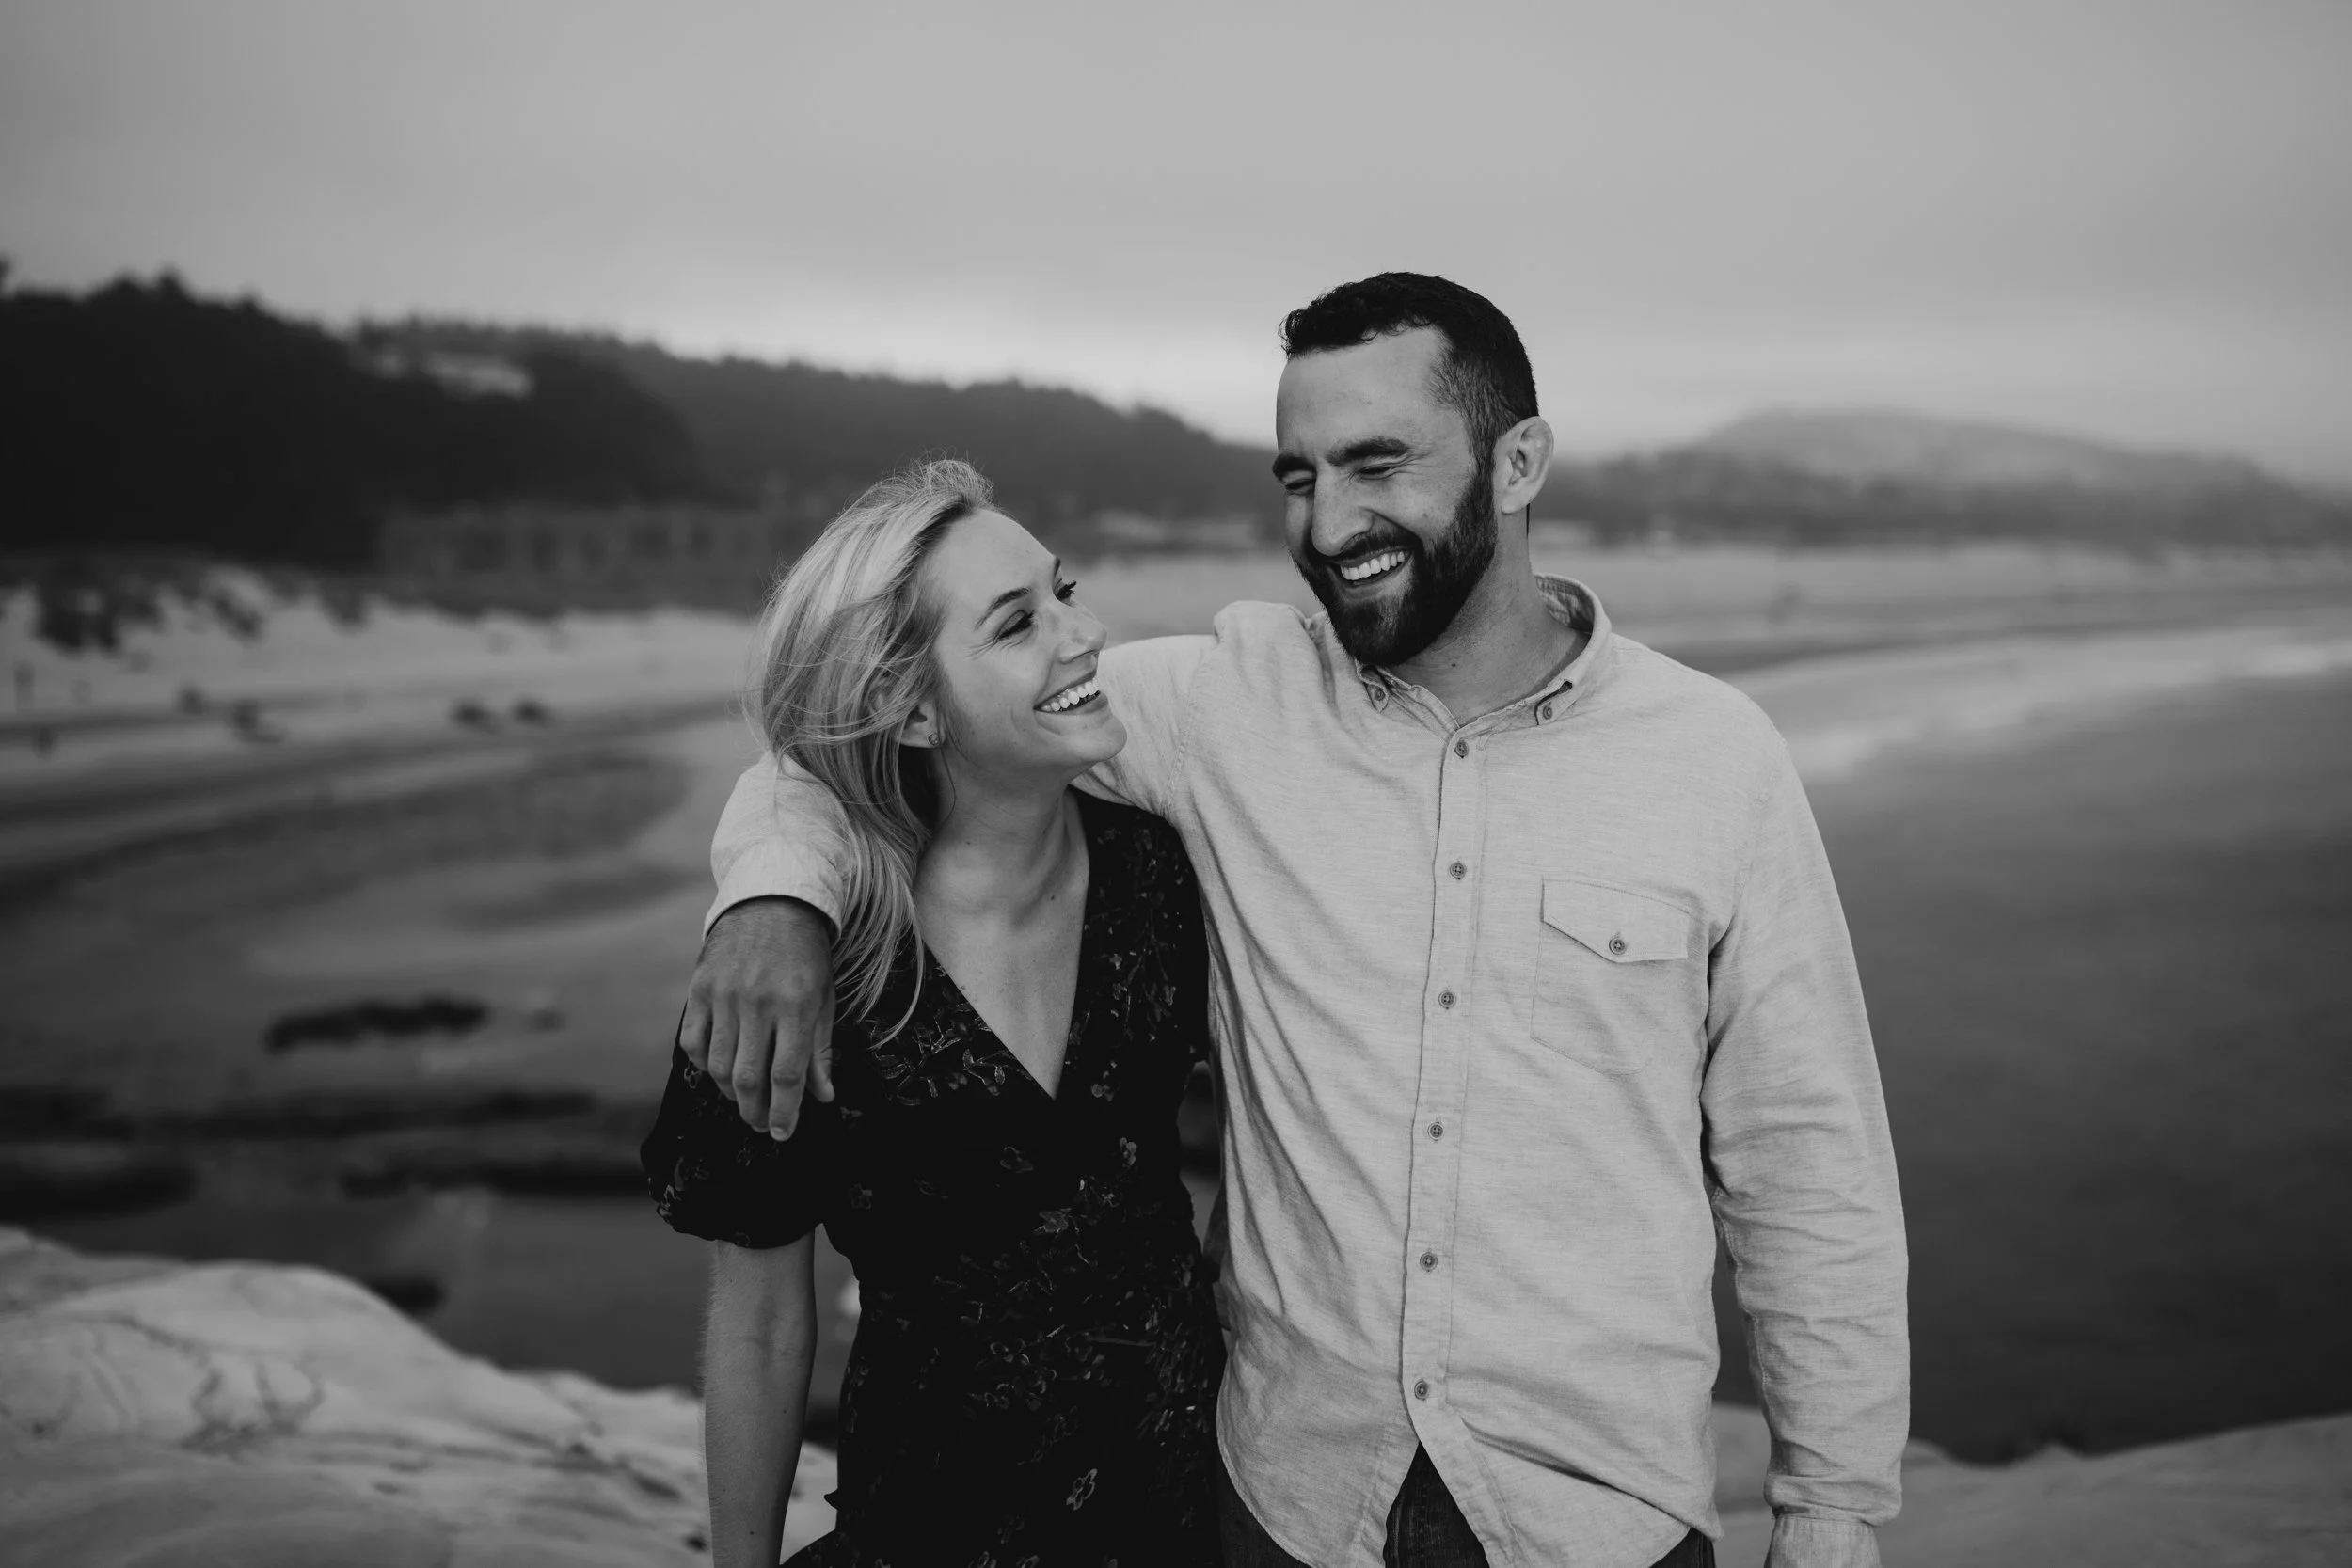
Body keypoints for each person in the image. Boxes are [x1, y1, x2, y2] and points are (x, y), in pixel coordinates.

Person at [682, 275, 1910, 1568]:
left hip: (1598, 1518)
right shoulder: (1223, 707)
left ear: (1518, 463)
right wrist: (775, 893)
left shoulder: (1716, 759)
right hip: (1287, 1506)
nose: (1327, 524)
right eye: (1297, 475)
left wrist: (1829, 1509)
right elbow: (875, 733)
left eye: (1377, 463)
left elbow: (1806, 1155)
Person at [640, 462, 1224, 1567]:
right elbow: (762, 1320)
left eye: (1063, 590)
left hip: (1187, 1511)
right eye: (1017, 622)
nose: (1085, 633)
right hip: (935, 1526)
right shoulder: (805, 971)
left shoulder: (1161, 876)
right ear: (910, 707)